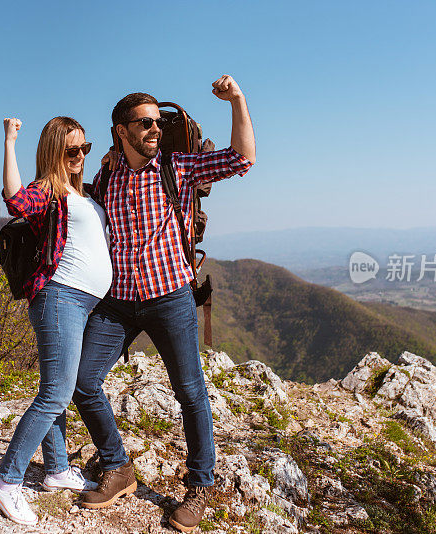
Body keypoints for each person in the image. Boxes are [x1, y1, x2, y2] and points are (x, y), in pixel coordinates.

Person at [73, 74, 256, 532]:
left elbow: (242, 159)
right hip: (119, 302)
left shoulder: (179, 167)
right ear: (121, 130)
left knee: (189, 390)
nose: (155, 129)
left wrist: (238, 100)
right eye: (144, 123)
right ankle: (118, 467)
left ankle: (199, 485)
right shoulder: (106, 175)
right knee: (82, 379)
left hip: (170, 295)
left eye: (157, 122)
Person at [0, 116, 112, 526]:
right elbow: (16, 200)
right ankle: (6, 481)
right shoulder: (49, 192)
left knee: (59, 388)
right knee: (56, 395)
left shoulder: (87, 193)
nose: (79, 157)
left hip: (83, 304)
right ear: (54, 153)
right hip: (60, 299)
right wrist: (9, 141)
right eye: (70, 150)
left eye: (84, 149)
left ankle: (56, 470)